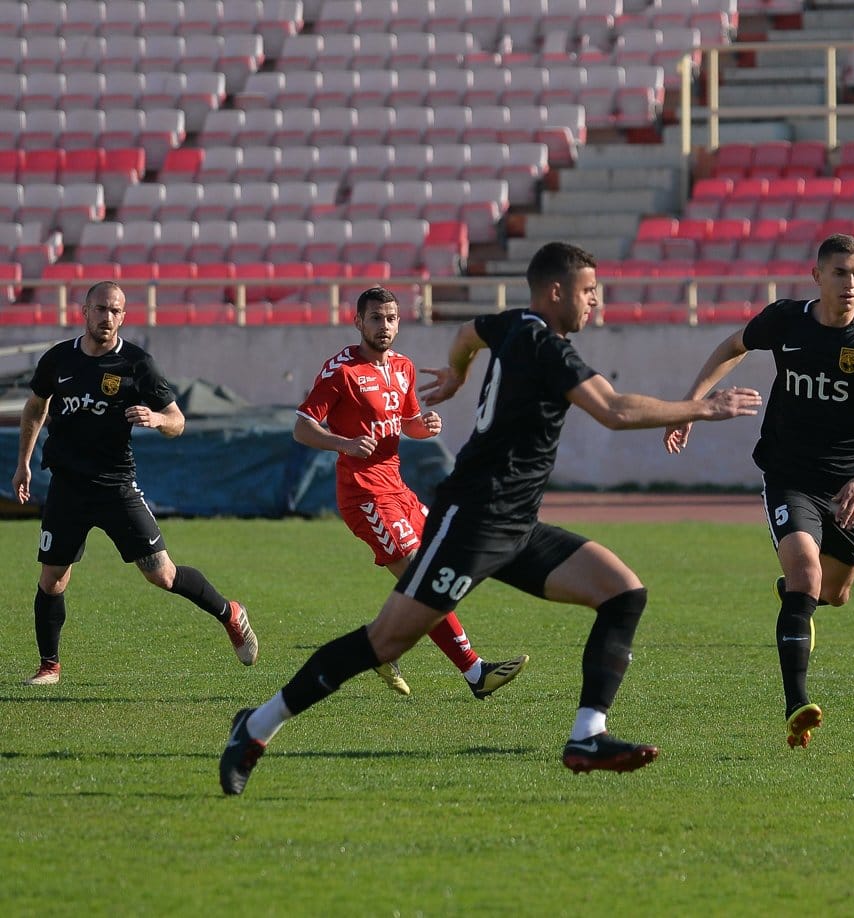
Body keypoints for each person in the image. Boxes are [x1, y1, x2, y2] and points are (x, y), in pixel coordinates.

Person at [219, 241, 762, 795]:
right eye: (588, 291)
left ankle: (587, 735)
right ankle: (256, 726)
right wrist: (704, 406)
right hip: (471, 524)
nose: (595, 302)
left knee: (624, 592)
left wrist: (455, 376)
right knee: (385, 643)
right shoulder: (546, 347)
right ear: (556, 291)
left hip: (517, 525)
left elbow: (466, 334)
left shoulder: (510, 324)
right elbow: (614, 411)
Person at [664, 233, 854, 750]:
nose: (852, 284)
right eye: (842, 273)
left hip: (849, 484)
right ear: (817, 276)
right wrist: (691, 406)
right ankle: (796, 705)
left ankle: (795, 598)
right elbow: (731, 346)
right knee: (806, 575)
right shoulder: (785, 319)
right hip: (789, 475)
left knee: (834, 593)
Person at [10, 281, 257, 686]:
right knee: (52, 578)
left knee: (162, 575)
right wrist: (23, 463)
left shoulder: (138, 365)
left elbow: (177, 420)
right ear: (84, 311)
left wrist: (157, 419)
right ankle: (49, 666)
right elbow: (36, 406)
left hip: (115, 487)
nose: (107, 318)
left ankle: (230, 613)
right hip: (67, 487)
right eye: (100, 309)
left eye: (116, 311)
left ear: (124, 316)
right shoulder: (57, 360)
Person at [294, 284, 528, 699]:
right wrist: (343, 443)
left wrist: (426, 427)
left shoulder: (403, 367)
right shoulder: (340, 371)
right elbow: (302, 427)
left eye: (390, 319)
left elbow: (408, 422)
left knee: (436, 574)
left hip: (399, 489)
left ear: (398, 323)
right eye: (374, 318)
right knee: (425, 581)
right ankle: (475, 673)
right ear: (357, 322)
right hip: (365, 497)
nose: (383, 326)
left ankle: (380, 649)